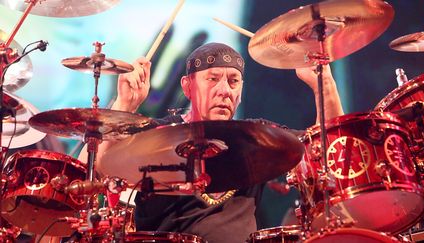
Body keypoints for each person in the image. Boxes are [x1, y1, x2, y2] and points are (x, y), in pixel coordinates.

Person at [81, 42, 343, 243]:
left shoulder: (258, 136)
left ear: (241, 91)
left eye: (233, 81)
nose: (224, 91)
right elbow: (91, 174)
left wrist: (325, 84)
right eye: (212, 78)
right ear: (187, 87)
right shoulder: (155, 133)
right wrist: (126, 104)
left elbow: (330, 149)